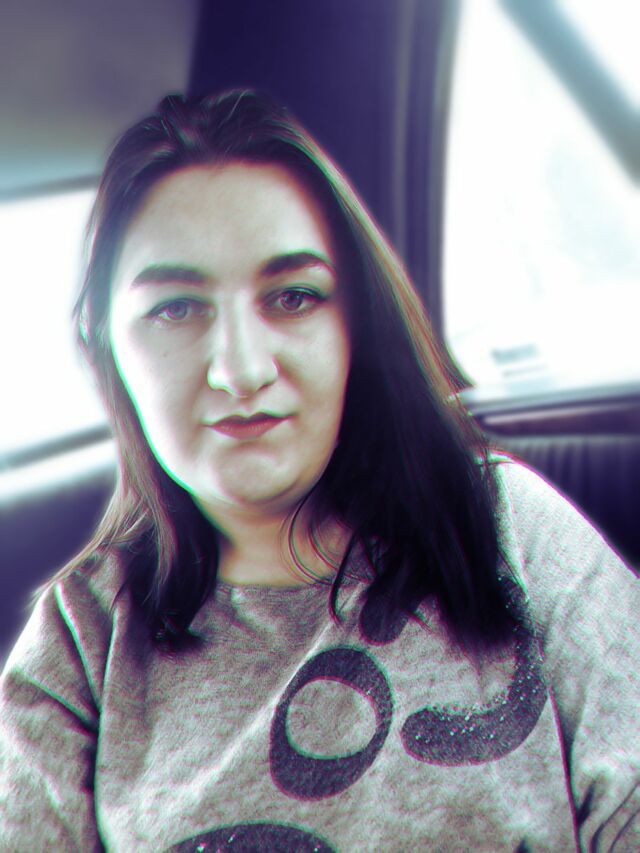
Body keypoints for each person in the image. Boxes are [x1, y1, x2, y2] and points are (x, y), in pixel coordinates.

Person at [0, 90, 638, 852]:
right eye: (175, 308)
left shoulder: (509, 527)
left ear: (353, 328)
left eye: (294, 297)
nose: (240, 369)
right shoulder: (81, 639)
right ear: (104, 346)